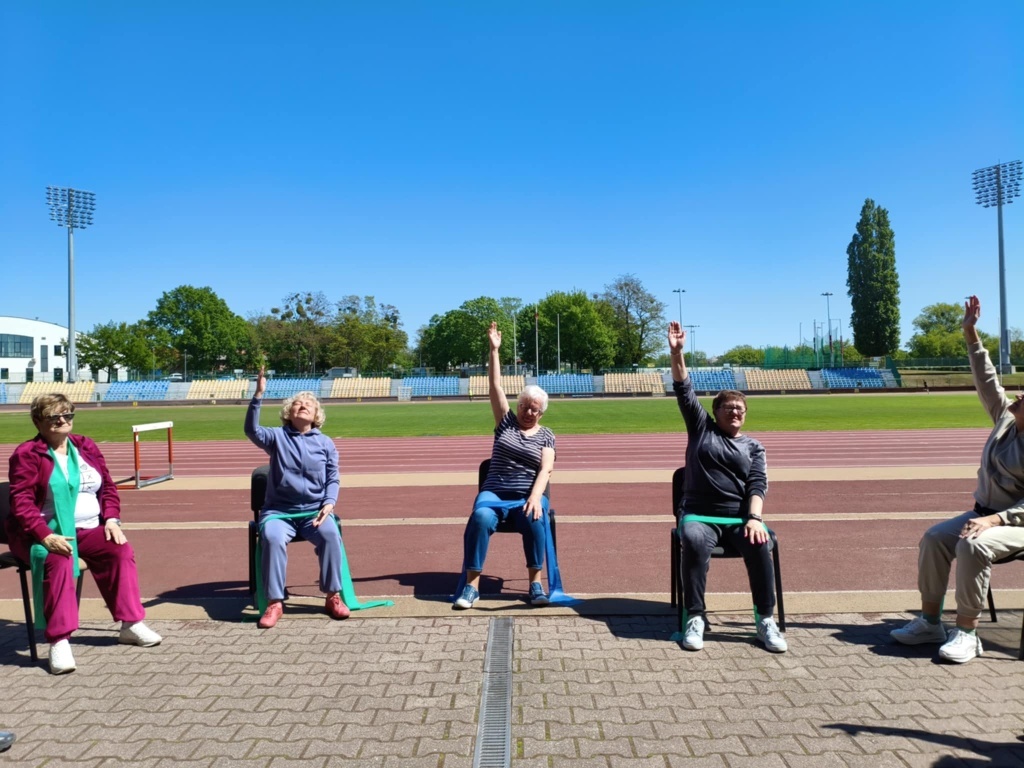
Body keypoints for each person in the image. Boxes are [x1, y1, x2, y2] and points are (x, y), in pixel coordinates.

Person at [891, 295, 1024, 662]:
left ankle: (967, 632)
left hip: (1014, 523)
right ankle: (931, 622)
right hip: (983, 514)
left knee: (973, 546)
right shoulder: (1006, 418)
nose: (1018, 394)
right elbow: (986, 378)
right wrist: (970, 333)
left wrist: (995, 520)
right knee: (934, 538)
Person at [7, 394, 162, 675]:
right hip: (43, 531)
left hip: (89, 528)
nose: (63, 420)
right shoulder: (27, 454)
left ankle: (130, 624)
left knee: (119, 550)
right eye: (54, 417)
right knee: (58, 559)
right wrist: (45, 536)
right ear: (38, 421)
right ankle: (59, 639)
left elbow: (108, 488)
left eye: (67, 415)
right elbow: (21, 502)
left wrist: (112, 520)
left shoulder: (85, 446)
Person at [668, 321, 786, 653]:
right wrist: (677, 353)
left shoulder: (754, 447)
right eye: (728, 407)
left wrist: (755, 519)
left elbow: (758, 484)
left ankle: (765, 619)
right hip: (698, 515)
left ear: (745, 415)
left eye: (740, 409)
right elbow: (683, 388)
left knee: (760, 543)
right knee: (693, 540)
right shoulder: (701, 429)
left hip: (740, 518)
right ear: (715, 411)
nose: (734, 411)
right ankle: (695, 616)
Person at [454, 322, 556, 609]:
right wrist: (494, 350)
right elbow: (495, 386)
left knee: (535, 517)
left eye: (535, 408)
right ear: (518, 405)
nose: (528, 411)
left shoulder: (547, 435)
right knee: (480, 517)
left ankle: (535, 584)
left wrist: (535, 496)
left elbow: (546, 469)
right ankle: (471, 586)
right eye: (524, 405)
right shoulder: (505, 422)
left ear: (541, 412)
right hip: (495, 493)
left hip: (526, 496)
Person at [244, 369, 349, 628]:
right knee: (272, 538)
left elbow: (333, 478)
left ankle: (333, 596)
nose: (302, 406)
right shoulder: (276, 437)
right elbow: (251, 430)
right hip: (279, 512)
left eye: (308, 404)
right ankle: (275, 602)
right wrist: (258, 395)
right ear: (289, 413)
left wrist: (329, 503)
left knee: (330, 535)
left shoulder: (326, 443)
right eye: (297, 404)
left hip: (314, 511)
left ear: (316, 415)